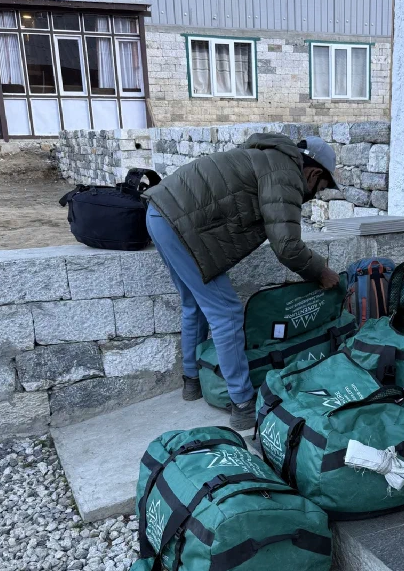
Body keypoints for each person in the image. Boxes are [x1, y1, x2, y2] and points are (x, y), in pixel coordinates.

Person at [145, 134, 340, 430]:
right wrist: (320, 272)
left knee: (194, 304)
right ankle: (242, 403)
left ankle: (192, 381)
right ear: (313, 172)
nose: (314, 195)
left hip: (159, 212)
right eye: (320, 188)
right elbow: (287, 245)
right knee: (226, 313)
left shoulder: (268, 158)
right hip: (179, 223)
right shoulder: (285, 171)